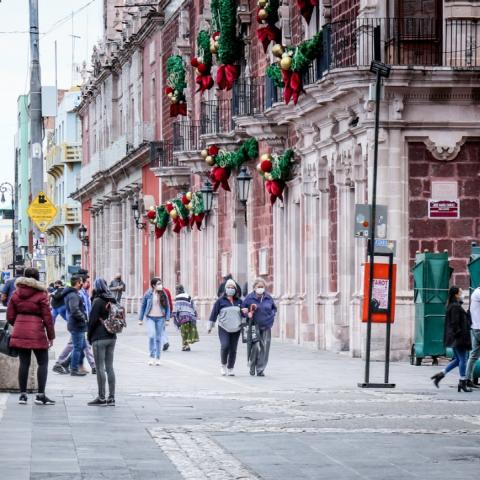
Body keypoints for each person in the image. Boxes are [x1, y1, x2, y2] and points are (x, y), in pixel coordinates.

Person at [6, 267, 55, 405]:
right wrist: (51, 336)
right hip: (37, 331)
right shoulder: (41, 294)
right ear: (37, 278)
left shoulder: (16, 294)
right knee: (43, 362)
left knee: (24, 363)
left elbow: (10, 316)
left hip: (20, 330)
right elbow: (47, 317)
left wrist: (19, 323)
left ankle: (22, 395)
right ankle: (40, 395)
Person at [431, 286, 472, 392]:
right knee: (463, 359)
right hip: (458, 338)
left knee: (458, 360)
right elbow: (455, 323)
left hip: (454, 338)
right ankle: (462, 382)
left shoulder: (454, 305)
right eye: (461, 292)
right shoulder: (455, 307)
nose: (463, 294)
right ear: (456, 295)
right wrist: (460, 335)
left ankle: (440, 374)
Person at [87, 278, 117, 406]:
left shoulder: (98, 301)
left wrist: (89, 337)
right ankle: (111, 397)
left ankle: (101, 397)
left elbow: (92, 321)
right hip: (112, 336)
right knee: (109, 367)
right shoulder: (112, 299)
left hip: (99, 337)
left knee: (100, 368)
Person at [242, 278, 277, 377]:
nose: (261, 289)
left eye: (262, 287)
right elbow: (242, 310)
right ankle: (252, 366)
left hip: (266, 326)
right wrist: (246, 313)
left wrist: (271, 317)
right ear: (254, 288)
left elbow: (274, 308)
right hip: (254, 327)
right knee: (255, 347)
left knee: (264, 348)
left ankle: (260, 369)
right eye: (259, 287)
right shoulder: (249, 298)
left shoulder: (268, 297)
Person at [208, 278, 243, 376]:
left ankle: (230, 368)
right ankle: (223, 365)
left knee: (233, 349)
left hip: (236, 328)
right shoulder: (220, 301)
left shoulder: (239, 301)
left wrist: (245, 313)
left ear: (235, 289)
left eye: (232, 287)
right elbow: (214, 313)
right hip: (224, 327)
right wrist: (210, 326)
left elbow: (243, 314)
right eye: (228, 287)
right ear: (225, 289)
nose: (230, 289)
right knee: (225, 346)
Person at [139, 277, 171, 365]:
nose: (160, 285)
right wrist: (140, 319)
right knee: (152, 335)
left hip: (161, 318)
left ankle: (158, 358)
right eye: (158, 284)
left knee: (158, 338)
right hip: (150, 318)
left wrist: (167, 319)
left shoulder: (163, 293)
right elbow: (143, 306)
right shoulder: (148, 294)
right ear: (153, 285)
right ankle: (151, 356)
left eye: (161, 283)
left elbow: (167, 307)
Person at [63, 276, 89, 376]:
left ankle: (66, 363)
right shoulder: (73, 295)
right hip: (76, 324)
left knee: (82, 346)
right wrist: (83, 317)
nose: (82, 284)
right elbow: (74, 310)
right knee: (78, 347)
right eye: (81, 282)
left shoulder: (74, 293)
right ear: (78, 283)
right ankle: (74, 369)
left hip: (77, 324)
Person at [173, 284, 199, 351]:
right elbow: (193, 306)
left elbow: (176, 309)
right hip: (190, 316)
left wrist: (175, 316)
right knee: (188, 331)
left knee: (183, 331)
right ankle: (186, 345)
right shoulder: (188, 296)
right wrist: (195, 314)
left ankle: (186, 345)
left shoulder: (177, 298)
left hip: (182, 317)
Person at [466, 285, 480, 388]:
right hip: (478, 328)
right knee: (473, 355)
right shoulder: (478, 293)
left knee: (473, 355)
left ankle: (467, 379)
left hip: (475, 328)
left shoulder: (475, 292)